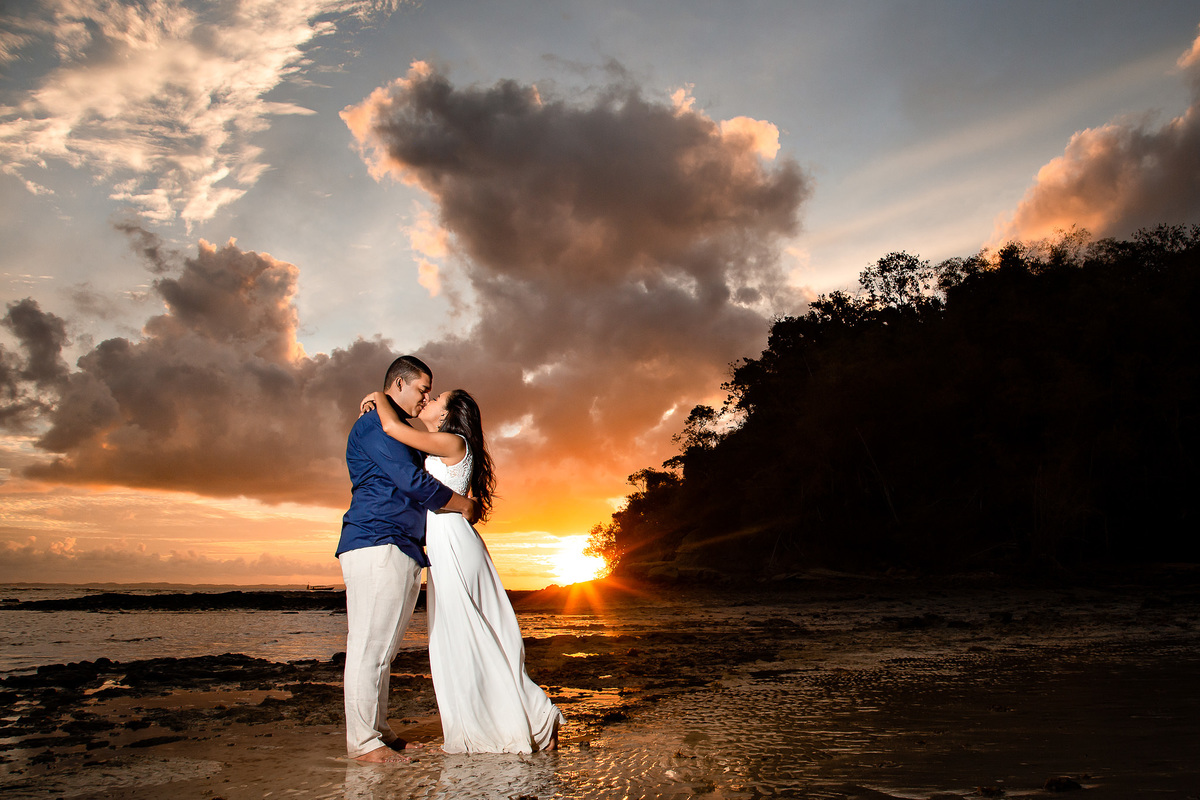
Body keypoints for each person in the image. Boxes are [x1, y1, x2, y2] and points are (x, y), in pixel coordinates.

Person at [361, 386, 565, 754]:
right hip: (445, 544)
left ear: (446, 415)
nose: (428, 399)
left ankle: (536, 719)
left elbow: (391, 428)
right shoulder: (438, 443)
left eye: (436, 398)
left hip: (454, 543)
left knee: (470, 635)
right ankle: (529, 720)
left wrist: (378, 394)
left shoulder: (453, 442)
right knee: (462, 637)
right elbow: (399, 438)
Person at [337, 355, 479, 763]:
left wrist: (378, 398)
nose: (426, 397)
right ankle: (363, 743)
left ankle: (378, 732)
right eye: (422, 389)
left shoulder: (393, 426)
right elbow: (413, 482)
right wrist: (462, 504)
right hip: (377, 541)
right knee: (369, 646)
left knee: (383, 649)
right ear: (399, 384)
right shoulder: (374, 426)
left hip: (398, 544)